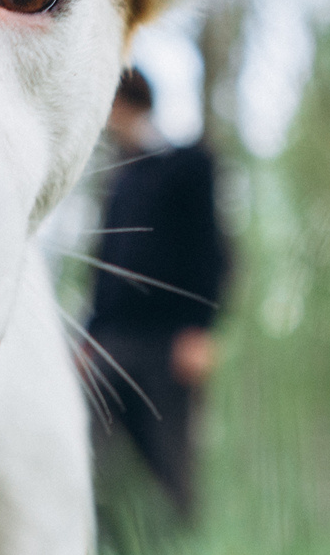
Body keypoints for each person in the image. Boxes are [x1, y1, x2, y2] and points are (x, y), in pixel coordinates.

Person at [83, 66, 233, 529]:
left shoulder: (187, 164)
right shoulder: (118, 180)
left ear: (121, 102)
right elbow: (104, 269)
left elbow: (212, 250)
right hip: (110, 342)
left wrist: (201, 331)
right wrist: (88, 339)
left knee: (170, 467)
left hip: (167, 341)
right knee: (88, 459)